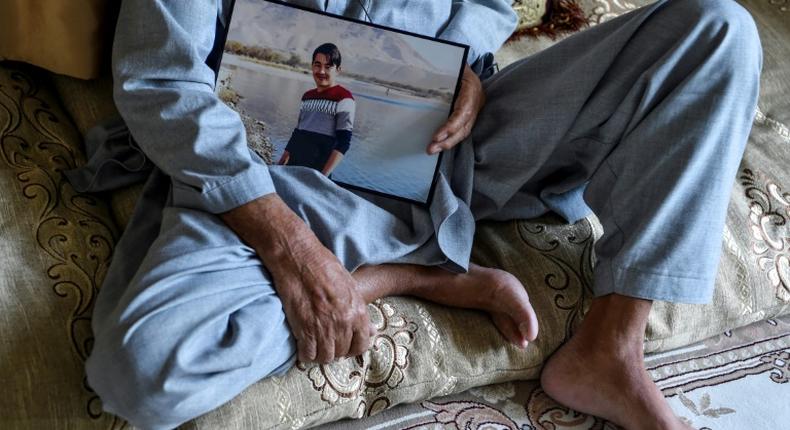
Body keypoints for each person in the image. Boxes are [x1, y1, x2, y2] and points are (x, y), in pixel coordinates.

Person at [77, 0, 761, 429]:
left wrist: (469, 68)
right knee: (146, 372)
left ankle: (611, 344)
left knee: (716, 31)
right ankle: (409, 275)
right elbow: (159, 80)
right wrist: (289, 245)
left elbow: (486, 7)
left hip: (456, 140)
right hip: (274, 170)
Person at [277, 42, 355, 176]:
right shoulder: (307, 96)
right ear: (312, 66)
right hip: (291, 168)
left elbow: (343, 143)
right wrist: (281, 161)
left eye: (328, 67)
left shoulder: (344, 98)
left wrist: (323, 177)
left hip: (316, 175)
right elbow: (298, 132)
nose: (321, 71)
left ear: (338, 70)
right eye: (317, 65)